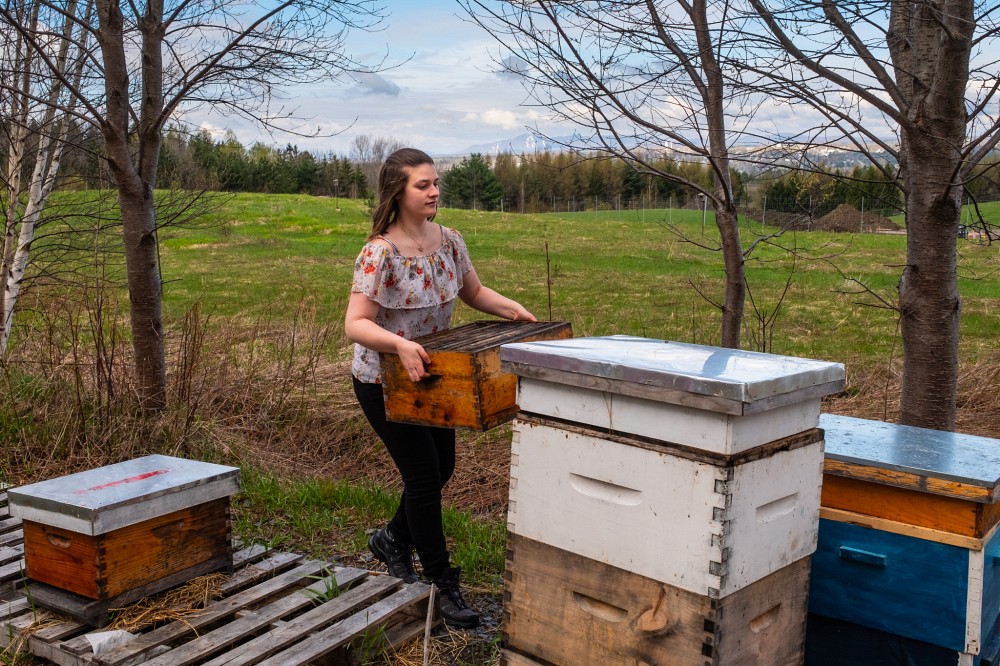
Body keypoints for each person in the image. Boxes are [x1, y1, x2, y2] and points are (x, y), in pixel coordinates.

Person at [344, 148, 536, 629]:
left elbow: (473, 292)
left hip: (437, 376)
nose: (433, 192)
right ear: (398, 192)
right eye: (422, 185)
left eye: (435, 183)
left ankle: (391, 538)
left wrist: (513, 309)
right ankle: (440, 580)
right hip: (384, 380)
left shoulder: (449, 241)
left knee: (441, 467)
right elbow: (355, 324)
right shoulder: (379, 253)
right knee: (425, 476)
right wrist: (399, 346)